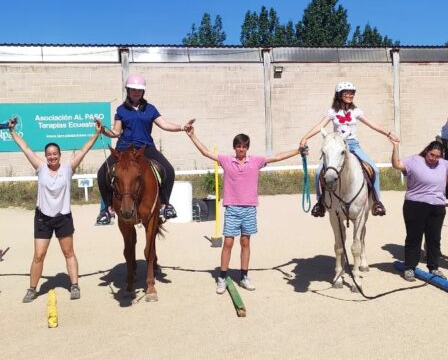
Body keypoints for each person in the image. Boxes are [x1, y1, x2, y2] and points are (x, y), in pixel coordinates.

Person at [186, 125, 300, 294]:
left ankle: (244, 276)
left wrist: (298, 151)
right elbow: (206, 152)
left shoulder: (256, 161)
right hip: (232, 208)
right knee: (228, 243)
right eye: (238, 146)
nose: (241, 149)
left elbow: (276, 157)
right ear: (235, 147)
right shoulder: (226, 160)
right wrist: (192, 135)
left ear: (247, 148)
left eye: (244, 146)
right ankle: (222, 277)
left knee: (245, 242)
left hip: (249, 208)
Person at [8, 118, 102, 302]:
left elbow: (84, 150)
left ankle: (74, 285)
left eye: (55, 154)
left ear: (60, 155)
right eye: (49, 154)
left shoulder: (68, 168)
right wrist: (12, 132)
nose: (52, 157)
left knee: (69, 252)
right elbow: (26, 148)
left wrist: (97, 133)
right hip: (43, 218)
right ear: (45, 156)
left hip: (63, 218)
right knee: (39, 255)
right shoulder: (40, 168)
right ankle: (32, 289)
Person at [95, 73, 194, 224]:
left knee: (169, 170)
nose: (136, 92)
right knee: (102, 173)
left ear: (143, 92)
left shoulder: (150, 109)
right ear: (128, 91)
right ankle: (107, 209)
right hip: (124, 148)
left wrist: (182, 127)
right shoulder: (121, 110)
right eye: (133, 89)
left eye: (139, 90)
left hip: (145, 147)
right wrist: (103, 130)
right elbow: (115, 132)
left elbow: (165, 124)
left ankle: (165, 204)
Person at [300, 81, 400, 217]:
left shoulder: (356, 112)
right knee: (319, 173)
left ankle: (377, 202)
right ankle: (320, 203)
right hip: (337, 146)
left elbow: (371, 124)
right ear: (339, 95)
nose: (350, 95)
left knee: (374, 169)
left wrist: (388, 133)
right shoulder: (332, 112)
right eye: (347, 93)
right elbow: (319, 126)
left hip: (353, 145)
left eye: (352, 93)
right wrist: (305, 137)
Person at [391, 139, 448, 281]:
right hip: (415, 205)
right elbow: (396, 164)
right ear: (427, 151)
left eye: (437, 156)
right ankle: (410, 267)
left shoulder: (443, 164)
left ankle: (434, 267)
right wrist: (395, 146)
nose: (434, 159)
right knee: (414, 237)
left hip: (437, 207)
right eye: (432, 155)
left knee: (434, 238)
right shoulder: (414, 160)